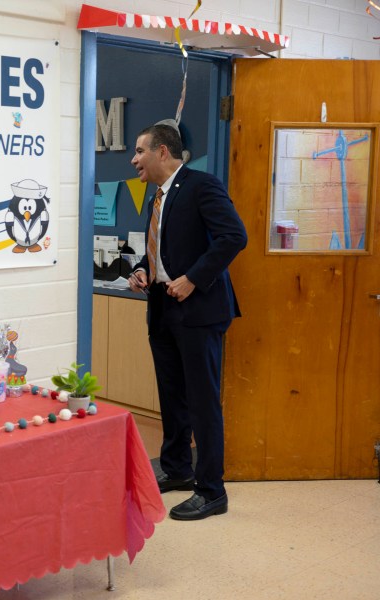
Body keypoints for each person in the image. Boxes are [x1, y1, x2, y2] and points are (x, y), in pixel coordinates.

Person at [127, 123, 247, 521]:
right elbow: (162, 251)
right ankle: (178, 469)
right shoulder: (157, 196)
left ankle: (212, 490)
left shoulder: (202, 185)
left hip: (198, 312)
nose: (134, 159)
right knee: (172, 397)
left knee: (201, 402)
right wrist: (144, 270)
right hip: (162, 308)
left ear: (163, 152)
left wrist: (194, 278)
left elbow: (233, 236)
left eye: (140, 151)